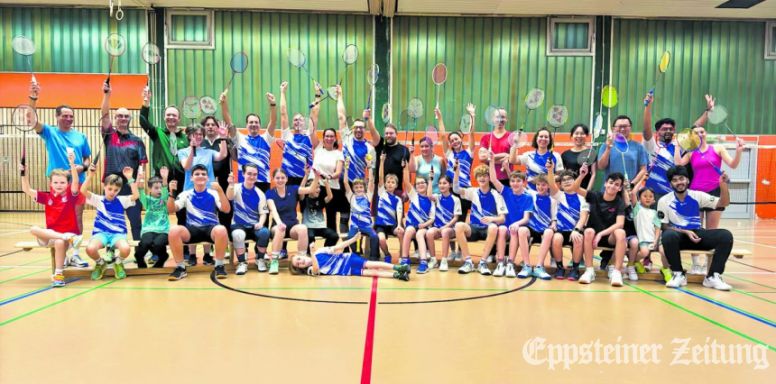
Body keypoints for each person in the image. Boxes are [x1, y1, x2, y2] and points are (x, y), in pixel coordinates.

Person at [28, 82, 91, 261]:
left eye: (71, 116)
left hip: (77, 181)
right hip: (57, 182)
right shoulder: (49, 132)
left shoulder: (81, 136)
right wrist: (33, 98)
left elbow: (87, 156)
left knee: (77, 216)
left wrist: (83, 167)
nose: (69, 119)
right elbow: (31, 121)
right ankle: (61, 251)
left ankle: (76, 254)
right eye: (65, 116)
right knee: (57, 216)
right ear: (57, 117)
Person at [675, 125, 744, 274]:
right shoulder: (691, 152)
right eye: (696, 133)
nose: (700, 134)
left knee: (712, 232)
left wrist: (738, 152)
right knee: (695, 229)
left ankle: (709, 266)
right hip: (695, 194)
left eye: (702, 131)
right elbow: (678, 164)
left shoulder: (718, 148)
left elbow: (733, 164)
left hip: (714, 193)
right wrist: (676, 146)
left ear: (705, 133)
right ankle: (696, 264)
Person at [659, 166, 733, 291]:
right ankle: (678, 274)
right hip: (679, 237)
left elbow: (723, 203)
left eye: (681, 178)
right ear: (671, 183)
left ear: (687, 180)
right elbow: (664, 226)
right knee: (668, 235)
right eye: (675, 180)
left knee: (726, 236)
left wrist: (723, 185)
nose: (679, 182)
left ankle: (713, 276)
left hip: (698, 235)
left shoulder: (697, 195)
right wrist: (685, 231)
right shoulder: (664, 200)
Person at [20, 151, 85, 287]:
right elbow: (26, 189)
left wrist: (72, 164)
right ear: (51, 183)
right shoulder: (47, 197)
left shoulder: (71, 195)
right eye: (55, 182)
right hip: (53, 235)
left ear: (67, 184)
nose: (59, 185)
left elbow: (76, 182)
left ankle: (59, 275)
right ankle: (65, 237)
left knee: (60, 243)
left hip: (67, 235)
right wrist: (23, 174)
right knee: (34, 229)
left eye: (62, 182)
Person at [100, 82, 148, 247]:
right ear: (116, 118)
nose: (123, 118)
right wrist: (107, 95)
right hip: (111, 185)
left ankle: (139, 253)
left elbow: (142, 163)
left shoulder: (137, 141)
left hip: (130, 186)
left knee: (136, 222)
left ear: (129, 119)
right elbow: (104, 115)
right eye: (120, 115)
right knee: (110, 222)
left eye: (126, 116)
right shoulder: (109, 135)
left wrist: (141, 177)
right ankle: (110, 253)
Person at [642, 93, 714, 202]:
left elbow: (694, 128)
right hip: (652, 194)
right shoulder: (651, 145)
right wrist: (648, 106)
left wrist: (708, 111)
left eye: (671, 129)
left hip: (674, 194)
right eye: (664, 129)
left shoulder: (679, 144)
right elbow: (646, 129)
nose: (668, 131)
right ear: (657, 132)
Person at [166, 164, 231, 281]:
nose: (200, 176)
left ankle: (219, 265)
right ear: (191, 178)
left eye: (203, 174)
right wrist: (171, 193)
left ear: (207, 178)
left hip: (210, 229)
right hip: (192, 230)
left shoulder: (214, 193)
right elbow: (171, 209)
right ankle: (180, 268)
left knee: (221, 229)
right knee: (174, 230)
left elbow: (226, 209)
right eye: (197, 174)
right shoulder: (185, 194)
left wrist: (221, 190)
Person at [177, 123, 228, 266]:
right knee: (191, 221)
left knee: (209, 220)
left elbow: (222, 155)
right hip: (190, 192)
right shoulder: (183, 151)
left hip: (209, 192)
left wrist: (223, 138)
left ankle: (207, 254)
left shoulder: (208, 151)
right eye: (195, 134)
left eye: (200, 134)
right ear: (189, 136)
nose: (198, 136)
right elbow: (186, 166)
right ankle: (192, 255)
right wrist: (192, 149)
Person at [139, 87, 189, 223]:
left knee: (182, 213)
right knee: (159, 211)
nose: (171, 117)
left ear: (179, 119)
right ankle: (159, 241)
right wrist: (146, 102)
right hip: (160, 179)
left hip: (181, 179)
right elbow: (143, 121)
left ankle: (183, 243)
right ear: (164, 117)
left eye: (174, 115)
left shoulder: (185, 138)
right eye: (168, 115)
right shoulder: (157, 133)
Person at [572, 165, 628, 286]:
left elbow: (620, 224)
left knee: (621, 232)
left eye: (617, 184)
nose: (613, 186)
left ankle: (617, 273)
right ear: (605, 184)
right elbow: (575, 188)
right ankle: (589, 271)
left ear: (619, 188)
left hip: (609, 237)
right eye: (611, 183)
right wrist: (582, 175)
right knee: (588, 231)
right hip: (592, 236)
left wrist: (601, 234)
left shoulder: (619, 202)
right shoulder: (595, 196)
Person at [82, 164, 139, 281]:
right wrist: (90, 175)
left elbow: (136, 195)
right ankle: (100, 263)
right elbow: (83, 190)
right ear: (104, 187)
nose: (112, 192)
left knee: (126, 249)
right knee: (90, 249)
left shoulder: (122, 200)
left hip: (117, 235)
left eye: (116, 190)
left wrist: (130, 178)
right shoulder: (98, 200)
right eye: (110, 189)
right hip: (101, 234)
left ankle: (118, 263)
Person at [453, 163, 507, 275]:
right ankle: (468, 262)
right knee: (459, 226)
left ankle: (483, 262)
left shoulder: (496, 194)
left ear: (489, 178)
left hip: (487, 229)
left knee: (493, 227)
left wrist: (492, 219)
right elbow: (455, 188)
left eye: (485, 175)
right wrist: (457, 172)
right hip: (474, 228)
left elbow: (502, 218)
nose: (482, 178)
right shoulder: (472, 191)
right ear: (476, 178)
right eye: (479, 176)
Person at [438, 104, 476, 259]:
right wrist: (440, 117)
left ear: (461, 138)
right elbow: (442, 136)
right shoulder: (449, 154)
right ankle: (453, 250)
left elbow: (472, 135)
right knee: (450, 218)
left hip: (465, 190)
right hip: (451, 190)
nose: (453, 141)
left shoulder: (469, 153)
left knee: (461, 220)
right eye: (451, 140)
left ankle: (460, 250)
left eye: (456, 138)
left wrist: (473, 116)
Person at [337, 85, 376, 232]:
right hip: (345, 182)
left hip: (359, 186)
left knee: (358, 215)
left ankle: (358, 247)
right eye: (356, 127)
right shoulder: (346, 138)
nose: (359, 129)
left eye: (361, 127)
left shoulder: (369, 147)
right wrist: (340, 95)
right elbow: (341, 116)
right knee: (344, 216)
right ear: (353, 129)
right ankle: (345, 248)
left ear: (364, 130)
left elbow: (371, 168)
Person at [222, 91, 277, 192]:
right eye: (251, 122)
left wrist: (273, 105)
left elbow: (273, 121)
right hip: (244, 182)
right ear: (246, 125)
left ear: (260, 125)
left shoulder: (266, 138)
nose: (254, 124)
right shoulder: (239, 138)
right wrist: (223, 103)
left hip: (263, 182)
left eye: (256, 122)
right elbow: (228, 121)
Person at [289, 236, 410, 281]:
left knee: (372, 264)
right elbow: (316, 269)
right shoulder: (310, 270)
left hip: (348, 259)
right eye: (299, 265)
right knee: (372, 273)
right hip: (347, 271)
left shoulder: (320, 251)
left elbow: (338, 247)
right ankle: (397, 275)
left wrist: (352, 240)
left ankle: (398, 267)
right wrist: (312, 252)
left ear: (302, 255)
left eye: (299, 259)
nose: (301, 262)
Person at [266, 168, 316, 274]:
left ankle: (302, 258)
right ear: (273, 179)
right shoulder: (270, 193)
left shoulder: (293, 189)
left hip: (293, 226)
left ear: (287, 179)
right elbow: (273, 210)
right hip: (277, 226)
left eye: (282, 177)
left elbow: (310, 189)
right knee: (280, 230)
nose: (280, 180)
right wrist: (279, 223)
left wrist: (317, 177)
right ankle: (274, 261)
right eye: (277, 178)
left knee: (303, 228)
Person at [227, 164, 271, 275]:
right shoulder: (236, 188)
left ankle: (260, 259)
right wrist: (231, 185)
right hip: (238, 224)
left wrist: (261, 223)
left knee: (265, 232)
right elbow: (229, 197)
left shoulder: (260, 194)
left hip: (253, 226)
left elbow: (263, 213)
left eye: (255, 174)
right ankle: (242, 263)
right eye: (249, 174)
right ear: (243, 174)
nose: (252, 176)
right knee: (238, 235)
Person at [490, 161, 532, 279]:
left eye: (518, 181)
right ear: (510, 182)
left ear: (523, 183)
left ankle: (510, 263)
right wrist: (491, 161)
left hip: (516, 228)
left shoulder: (528, 197)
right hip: (506, 227)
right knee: (502, 229)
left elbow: (526, 218)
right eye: (513, 181)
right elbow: (493, 179)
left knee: (514, 230)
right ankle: (500, 263)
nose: (515, 183)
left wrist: (516, 224)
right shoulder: (506, 191)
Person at [547, 166, 589, 281]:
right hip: (561, 231)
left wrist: (576, 230)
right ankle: (560, 267)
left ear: (575, 181)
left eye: (569, 179)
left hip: (575, 230)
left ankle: (575, 269)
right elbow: (550, 183)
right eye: (563, 180)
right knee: (556, 239)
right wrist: (550, 170)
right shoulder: (559, 195)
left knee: (578, 238)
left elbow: (583, 216)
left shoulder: (582, 197)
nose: (566, 182)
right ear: (560, 184)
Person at [626, 176, 666, 282]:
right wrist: (642, 179)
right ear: (639, 198)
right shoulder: (637, 209)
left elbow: (658, 228)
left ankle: (667, 270)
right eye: (645, 196)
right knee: (644, 253)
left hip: (655, 239)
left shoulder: (655, 213)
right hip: (644, 240)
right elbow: (633, 193)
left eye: (650, 196)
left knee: (664, 251)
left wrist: (656, 240)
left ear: (654, 200)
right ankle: (634, 261)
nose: (648, 198)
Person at [279, 81, 319, 186]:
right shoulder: (287, 135)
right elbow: (283, 113)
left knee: (306, 203)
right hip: (288, 177)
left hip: (306, 177)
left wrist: (317, 94)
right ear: (292, 123)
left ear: (304, 122)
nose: (298, 121)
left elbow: (314, 114)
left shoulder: (308, 136)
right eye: (295, 120)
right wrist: (282, 92)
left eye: (300, 120)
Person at [400, 160, 436, 273]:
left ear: (427, 185)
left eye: (422, 183)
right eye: (418, 183)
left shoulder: (431, 200)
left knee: (420, 234)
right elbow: (406, 181)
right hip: (412, 225)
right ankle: (405, 260)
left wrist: (424, 225)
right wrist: (405, 168)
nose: (420, 185)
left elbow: (432, 218)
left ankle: (423, 262)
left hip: (424, 227)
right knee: (409, 231)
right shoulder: (414, 195)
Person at [343, 159, 380, 261]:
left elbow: (371, 181)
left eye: (361, 187)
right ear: (353, 189)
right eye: (356, 187)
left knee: (374, 237)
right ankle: (357, 254)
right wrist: (346, 168)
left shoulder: (368, 196)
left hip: (366, 226)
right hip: (355, 226)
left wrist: (370, 167)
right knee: (350, 237)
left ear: (364, 188)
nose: (359, 189)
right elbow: (345, 182)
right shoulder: (351, 197)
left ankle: (373, 257)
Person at [521, 174, 556, 280]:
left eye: (544, 185)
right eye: (538, 184)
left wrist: (553, 224)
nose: (540, 187)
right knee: (522, 230)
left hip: (544, 229)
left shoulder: (552, 200)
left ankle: (539, 267)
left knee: (549, 232)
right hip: (531, 228)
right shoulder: (531, 194)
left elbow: (554, 217)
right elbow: (518, 184)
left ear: (548, 186)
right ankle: (526, 266)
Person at [135, 167, 171, 269]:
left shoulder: (164, 199)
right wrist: (140, 177)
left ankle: (163, 257)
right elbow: (140, 189)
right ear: (150, 189)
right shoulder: (147, 200)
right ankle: (139, 258)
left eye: (160, 188)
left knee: (157, 244)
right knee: (145, 243)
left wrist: (165, 178)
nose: (159, 190)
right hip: (148, 229)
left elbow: (164, 189)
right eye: (156, 188)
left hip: (163, 230)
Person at [425, 174, 461, 272]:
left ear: (450, 185)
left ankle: (444, 260)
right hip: (438, 228)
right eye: (440, 183)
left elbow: (456, 218)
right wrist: (430, 180)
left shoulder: (456, 199)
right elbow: (429, 195)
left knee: (445, 232)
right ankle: (433, 259)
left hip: (450, 228)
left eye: (444, 183)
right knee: (429, 233)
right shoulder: (437, 197)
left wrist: (445, 226)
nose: (442, 185)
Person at [311, 128, 345, 231]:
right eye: (327, 136)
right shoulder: (318, 149)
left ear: (335, 138)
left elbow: (338, 172)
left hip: (332, 189)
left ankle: (330, 245)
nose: (329, 138)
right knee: (314, 217)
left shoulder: (338, 153)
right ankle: (310, 245)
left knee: (331, 219)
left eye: (331, 136)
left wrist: (328, 177)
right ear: (323, 138)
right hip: (316, 188)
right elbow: (312, 130)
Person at [374, 153, 405, 263]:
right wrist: (382, 161)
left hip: (393, 224)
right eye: (388, 182)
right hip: (381, 225)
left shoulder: (397, 199)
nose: (390, 184)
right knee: (381, 239)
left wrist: (400, 225)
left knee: (401, 233)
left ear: (396, 185)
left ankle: (403, 256)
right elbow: (381, 177)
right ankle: (387, 254)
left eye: (393, 182)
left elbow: (399, 212)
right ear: (385, 184)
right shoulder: (381, 193)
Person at [300, 172, 339, 248]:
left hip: (321, 227)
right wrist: (306, 175)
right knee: (310, 237)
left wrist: (326, 183)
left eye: (319, 187)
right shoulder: (304, 200)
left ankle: (325, 251)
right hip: (309, 227)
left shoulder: (320, 200)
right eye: (315, 187)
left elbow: (330, 196)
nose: (318, 189)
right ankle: (309, 254)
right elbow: (301, 189)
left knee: (334, 236)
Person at [479, 107, 512, 185]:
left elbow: (512, 158)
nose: (500, 119)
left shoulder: (512, 137)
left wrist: (492, 158)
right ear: (493, 119)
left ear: (506, 119)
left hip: (506, 179)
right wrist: (504, 155)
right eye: (498, 117)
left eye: (503, 117)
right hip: (488, 178)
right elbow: (482, 158)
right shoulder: (486, 137)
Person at [561, 124, 597, 190]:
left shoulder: (591, 153)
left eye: (582, 133)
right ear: (572, 136)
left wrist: (587, 192)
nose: (579, 136)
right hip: (569, 190)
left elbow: (593, 174)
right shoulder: (565, 154)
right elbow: (563, 174)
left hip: (584, 189)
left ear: (586, 136)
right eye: (576, 133)